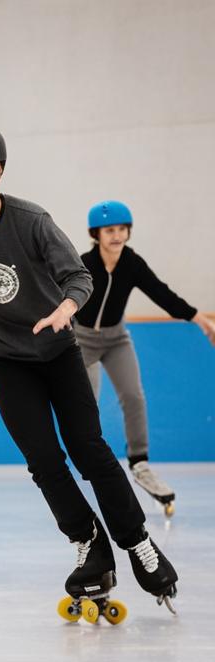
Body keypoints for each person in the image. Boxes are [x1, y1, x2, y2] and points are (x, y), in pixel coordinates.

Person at [0, 123, 179, 622]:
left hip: (58, 352)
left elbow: (78, 275)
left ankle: (138, 543)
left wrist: (65, 310)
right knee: (43, 462)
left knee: (89, 450)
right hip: (6, 362)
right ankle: (89, 544)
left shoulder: (31, 220)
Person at [74, 200, 215, 516]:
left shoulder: (132, 263)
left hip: (116, 339)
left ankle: (139, 463)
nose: (117, 236)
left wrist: (202, 321)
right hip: (82, 340)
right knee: (88, 401)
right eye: (110, 230)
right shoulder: (84, 264)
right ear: (96, 234)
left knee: (134, 397)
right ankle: (92, 460)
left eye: (122, 229)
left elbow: (162, 294)